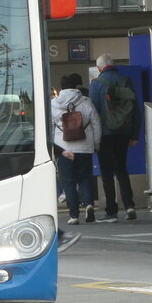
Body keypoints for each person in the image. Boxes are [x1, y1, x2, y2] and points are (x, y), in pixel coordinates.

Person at [90, 53, 139, 222]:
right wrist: (134, 134)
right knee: (122, 169)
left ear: (99, 68)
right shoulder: (126, 80)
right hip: (124, 132)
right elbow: (135, 109)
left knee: (107, 173)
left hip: (105, 134)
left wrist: (94, 138)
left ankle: (111, 211)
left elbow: (94, 114)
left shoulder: (96, 84)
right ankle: (130, 206)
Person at [51, 73, 101, 225]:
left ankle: (74, 215)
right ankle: (89, 204)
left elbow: (50, 128)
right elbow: (96, 123)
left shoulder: (54, 103)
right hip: (85, 147)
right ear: (77, 86)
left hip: (64, 148)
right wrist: (96, 144)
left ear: (61, 87)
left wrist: (55, 149)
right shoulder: (86, 102)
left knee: (68, 182)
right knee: (85, 178)